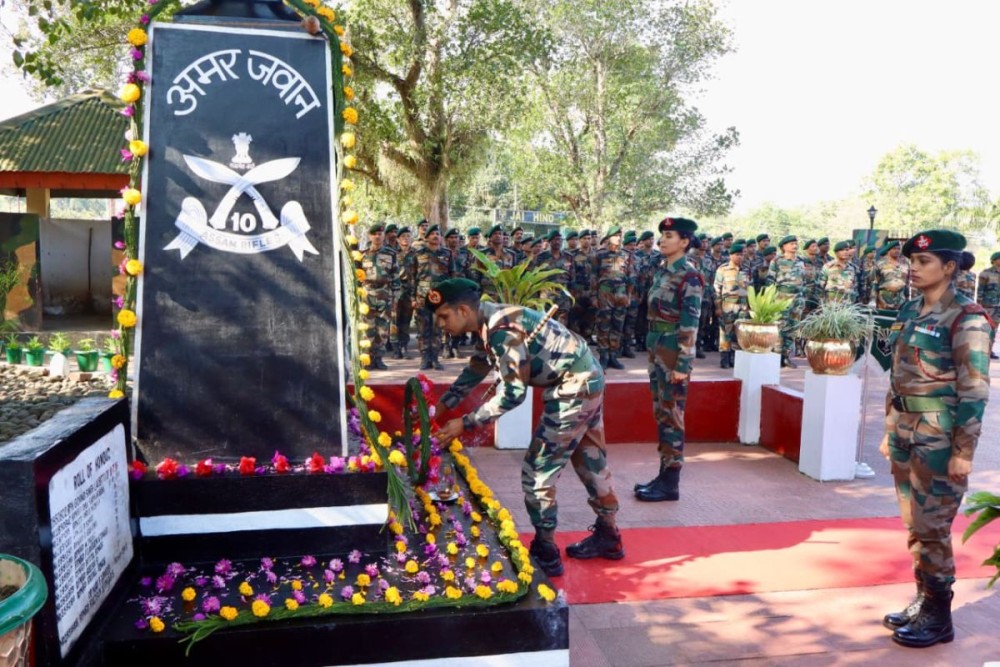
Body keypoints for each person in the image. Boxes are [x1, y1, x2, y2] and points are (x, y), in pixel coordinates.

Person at [431, 278, 622, 577]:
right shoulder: (490, 319)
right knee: (590, 460)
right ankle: (609, 536)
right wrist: (442, 407)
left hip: (573, 387)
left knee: (537, 472)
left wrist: (464, 423)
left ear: (464, 310)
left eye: (444, 316)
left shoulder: (501, 331)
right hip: (587, 377)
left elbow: (512, 394)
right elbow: (477, 369)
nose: (440, 324)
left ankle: (546, 552)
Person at [878, 229, 992, 648]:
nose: (914, 267)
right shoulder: (910, 310)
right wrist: (890, 428)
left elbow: (975, 389)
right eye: (912, 261)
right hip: (907, 431)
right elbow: (898, 375)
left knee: (933, 525)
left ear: (949, 267)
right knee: (913, 522)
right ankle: (924, 598)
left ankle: (940, 616)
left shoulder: (967, 317)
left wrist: (964, 451)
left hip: (939, 437)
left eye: (924, 262)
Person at [634, 217, 703, 502]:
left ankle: (671, 482)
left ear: (684, 242)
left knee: (672, 415)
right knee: (662, 413)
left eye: (669, 235)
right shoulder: (662, 271)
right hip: (657, 346)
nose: (662, 240)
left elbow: (690, 323)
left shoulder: (689, 275)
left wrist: (682, 366)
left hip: (674, 350)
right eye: (662, 235)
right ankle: (663, 475)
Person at [592, 227, 631, 370]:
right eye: (615, 235)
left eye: (620, 235)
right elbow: (593, 277)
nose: (619, 238)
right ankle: (603, 357)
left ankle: (613, 356)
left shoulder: (626, 255)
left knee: (617, 326)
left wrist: (629, 295)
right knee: (603, 325)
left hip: (621, 294)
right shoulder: (599, 255)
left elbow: (631, 276)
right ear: (608, 238)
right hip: (604, 293)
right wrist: (594, 296)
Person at [360, 223, 397, 370]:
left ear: (383, 236)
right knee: (368, 328)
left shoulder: (390, 253)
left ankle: (379, 358)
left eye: (380, 234)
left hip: (384, 295)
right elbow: (357, 277)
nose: (377, 236)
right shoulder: (362, 255)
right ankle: (368, 359)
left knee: (382, 329)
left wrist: (395, 297)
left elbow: (395, 276)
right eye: (374, 234)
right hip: (367, 294)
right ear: (370, 236)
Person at [766, 235, 806, 368]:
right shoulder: (777, 261)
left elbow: (804, 280)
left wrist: (802, 298)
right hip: (781, 297)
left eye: (796, 243)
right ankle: (776, 355)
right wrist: (770, 299)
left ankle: (786, 356)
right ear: (784, 246)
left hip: (797, 298)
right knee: (780, 327)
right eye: (791, 244)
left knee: (793, 328)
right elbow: (770, 281)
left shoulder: (801, 261)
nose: (794, 246)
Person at [714, 241, 749, 369]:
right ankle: (724, 358)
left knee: (739, 333)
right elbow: (717, 289)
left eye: (741, 255)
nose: (740, 257)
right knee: (725, 332)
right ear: (731, 255)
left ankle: (734, 357)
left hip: (743, 307)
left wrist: (750, 307)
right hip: (728, 306)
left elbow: (750, 289)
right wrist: (718, 307)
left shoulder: (746, 269)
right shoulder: (723, 269)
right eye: (737, 255)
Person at [976, 251, 1000, 359]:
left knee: (994, 329)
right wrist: (979, 305)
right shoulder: (985, 273)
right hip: (988, 306)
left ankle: (989, 351)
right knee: (985, 328)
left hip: (998, 307)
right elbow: (980, 291)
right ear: (994, 260)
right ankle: (981, 350)